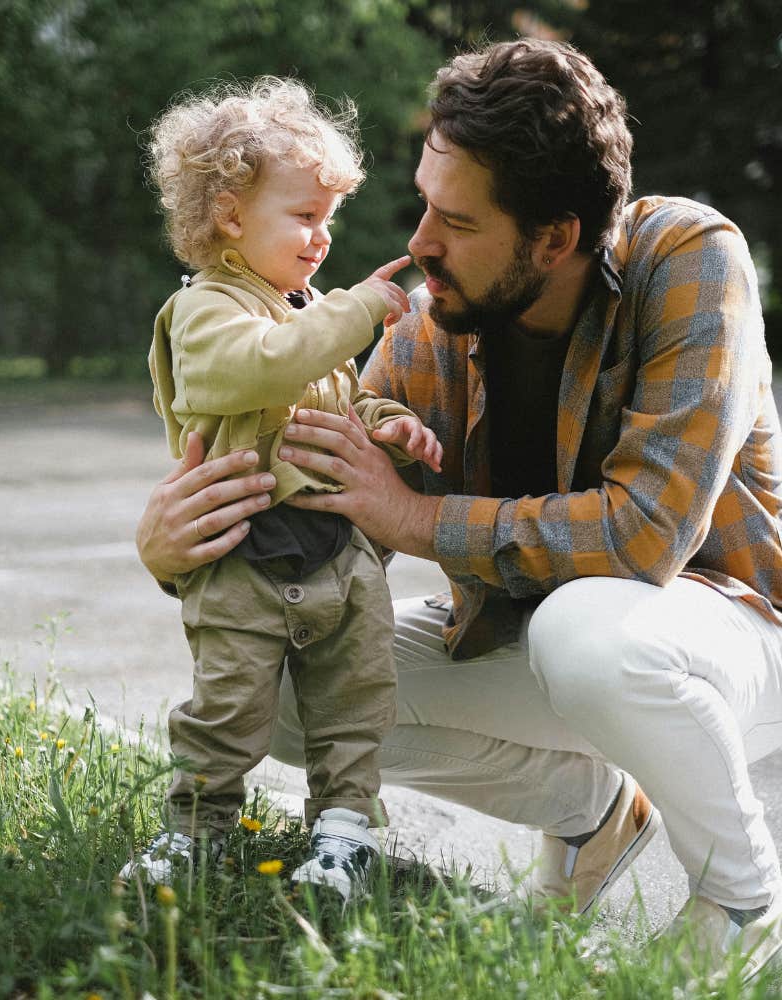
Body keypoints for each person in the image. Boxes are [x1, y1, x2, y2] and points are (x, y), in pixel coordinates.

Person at [136, 40, 782, 980]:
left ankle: (741, 898)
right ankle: (594, 813)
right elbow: (332, 512)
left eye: (457, 220)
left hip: (726, 634)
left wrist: (413, 520)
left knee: (587, 633)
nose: (420, 241)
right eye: (424, 203)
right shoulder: (434, 317)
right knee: (284, 691)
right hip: (529, 637)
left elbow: (645, 536)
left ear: (554, 237)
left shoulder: (687, 258)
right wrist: (171, 546)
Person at [121, 77, 443, 902]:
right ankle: (196, 829)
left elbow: (327, 388)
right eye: (305, 216)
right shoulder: (208, 311)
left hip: (335, 559)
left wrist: (386, 420)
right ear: (230, 216)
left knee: (355, 705)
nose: (322, 238)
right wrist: (363, 307)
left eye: (328, 219)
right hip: (243, 562)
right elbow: (258, 369)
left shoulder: (297, 312)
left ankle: (342, 836)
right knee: (226, 711)